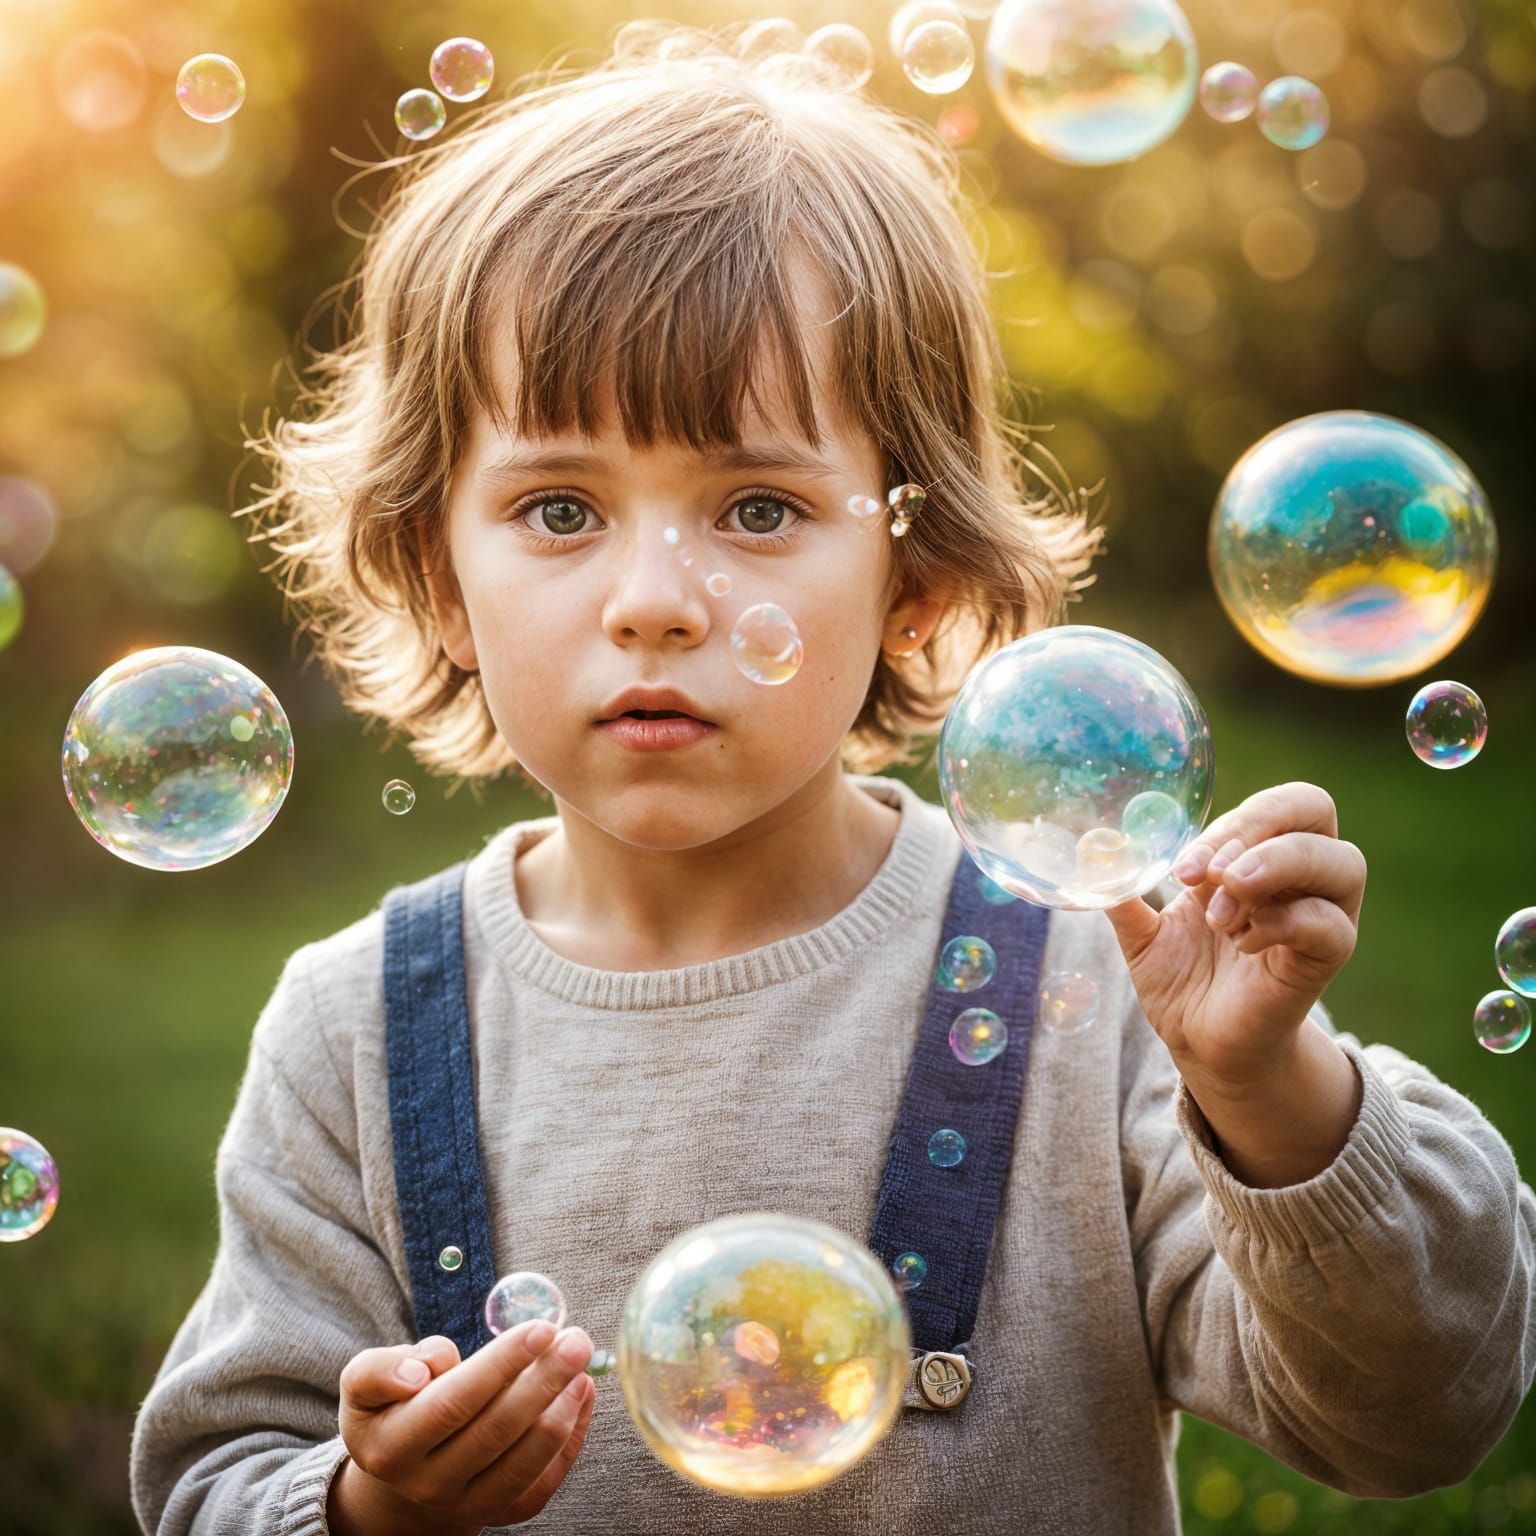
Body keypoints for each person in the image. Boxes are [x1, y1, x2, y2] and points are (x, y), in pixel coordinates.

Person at [130, 24, 1536, 1536]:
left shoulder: (1098, 987)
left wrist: (1270, 1092)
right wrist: (363, 1508)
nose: (654, 602)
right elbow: (215, 1480)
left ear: (916, 576)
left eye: (755, 506)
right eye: (558, 508)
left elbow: (1418, 1414)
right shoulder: (356, 1031)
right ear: (437, 576)